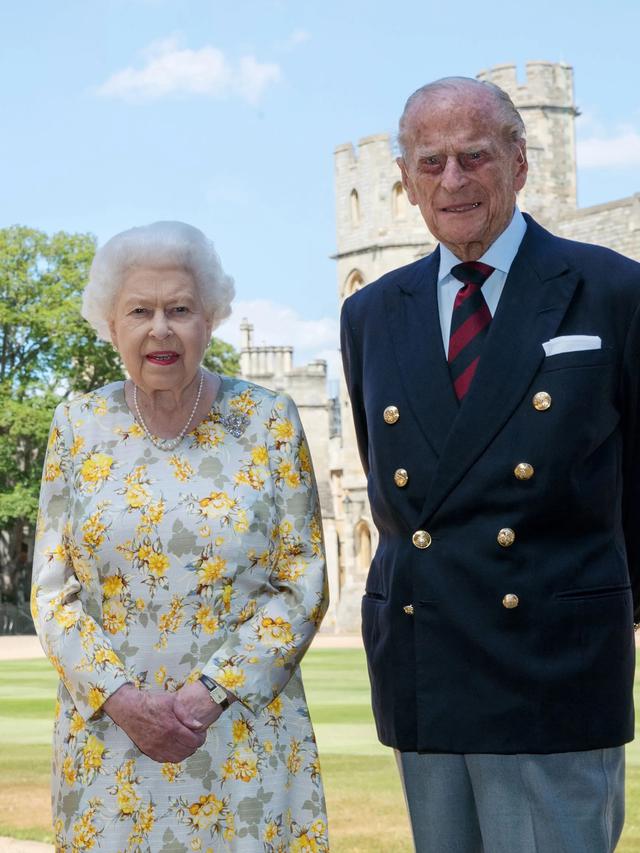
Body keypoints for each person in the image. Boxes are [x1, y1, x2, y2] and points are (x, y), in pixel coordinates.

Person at [340, 76, 640, 852]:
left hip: (553, 667)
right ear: (403, 182)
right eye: (430, 161)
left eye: (474, 156)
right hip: (426, 662)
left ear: (520, 161)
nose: (453, 179)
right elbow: (394, 489)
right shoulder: (371, 313)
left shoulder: (611, 289)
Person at [31, 221, 330, 852]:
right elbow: (53, 591)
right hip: (111, 743)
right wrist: (123, 702)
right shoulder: (76, 425)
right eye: (139, 310)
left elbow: (302, 582)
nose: (160, 329)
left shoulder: (269, 421)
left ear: (211, 320)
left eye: (181, 309)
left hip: (241, 738)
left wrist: (208, 695)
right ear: (110, 325)